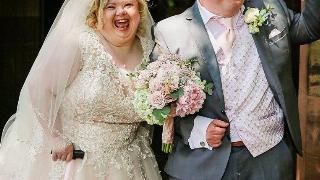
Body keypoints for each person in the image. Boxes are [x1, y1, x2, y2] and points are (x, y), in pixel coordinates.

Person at [151, 0, 320, 179]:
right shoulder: (170, 32)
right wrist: (197, 129)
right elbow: (156, 103)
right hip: (203, 165)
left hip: (269, 158)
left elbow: (310, 27)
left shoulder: (269, 9)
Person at [0, 0, 161, 179]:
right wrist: (56, 137)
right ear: (96, 12)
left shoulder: (152, 52)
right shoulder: (79, 43)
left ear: (140, 9)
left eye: (128, 5)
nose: (120, 12)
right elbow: (40, 89)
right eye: (110, 6)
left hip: (131, 163)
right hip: (75, 160)